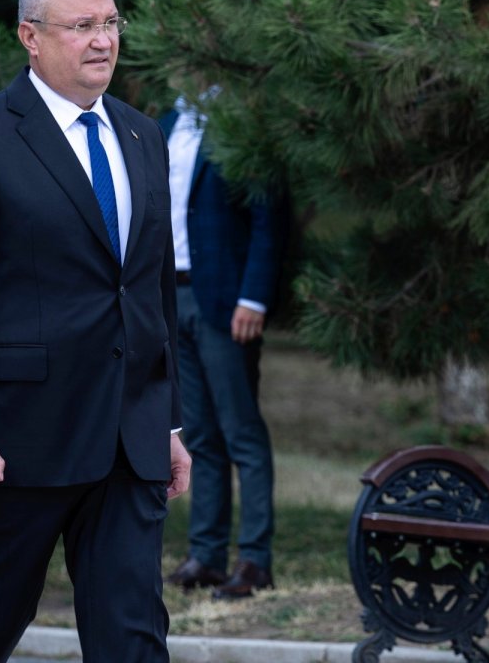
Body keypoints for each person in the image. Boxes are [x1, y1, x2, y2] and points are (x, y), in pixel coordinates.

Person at [0, 0, 191, 662]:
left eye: (111, 23)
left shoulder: (140, 136)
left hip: (128, 438)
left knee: (132, 634)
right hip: (13, 444)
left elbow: (150, 290)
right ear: (31, 37)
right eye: (82, 26)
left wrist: (171, 420)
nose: (103, 40)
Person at [160, 92, 287, 599]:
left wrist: (254, 298)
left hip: (227, 300)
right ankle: (206, 556)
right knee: (200, 435)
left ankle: (255, 560)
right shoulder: (166, 122)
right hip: (172, 295)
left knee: (242, 433)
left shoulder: (244, 121)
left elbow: (268, 219)